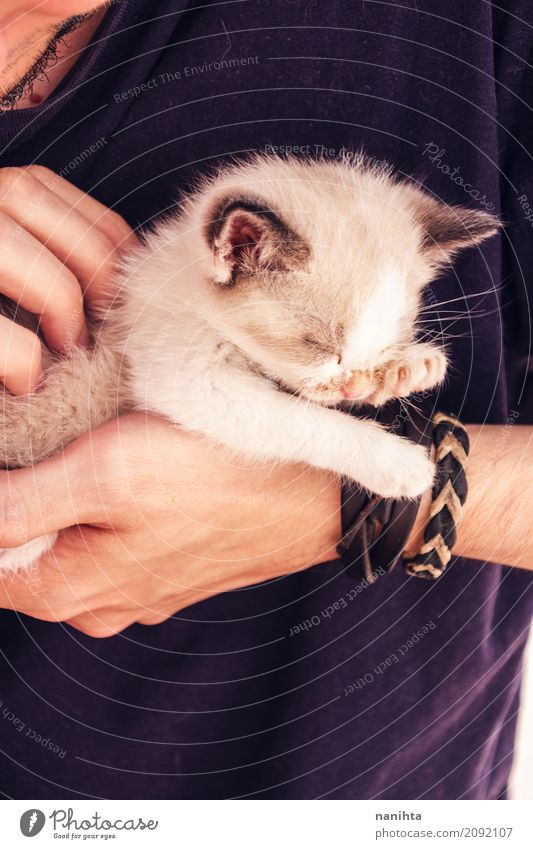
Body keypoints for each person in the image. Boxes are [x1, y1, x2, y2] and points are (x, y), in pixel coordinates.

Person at [0, 0, 531, 799]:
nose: (345, 384)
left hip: (377, 789)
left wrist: (358, 504)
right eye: (325, 353)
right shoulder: (236, 263)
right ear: (237, 246)